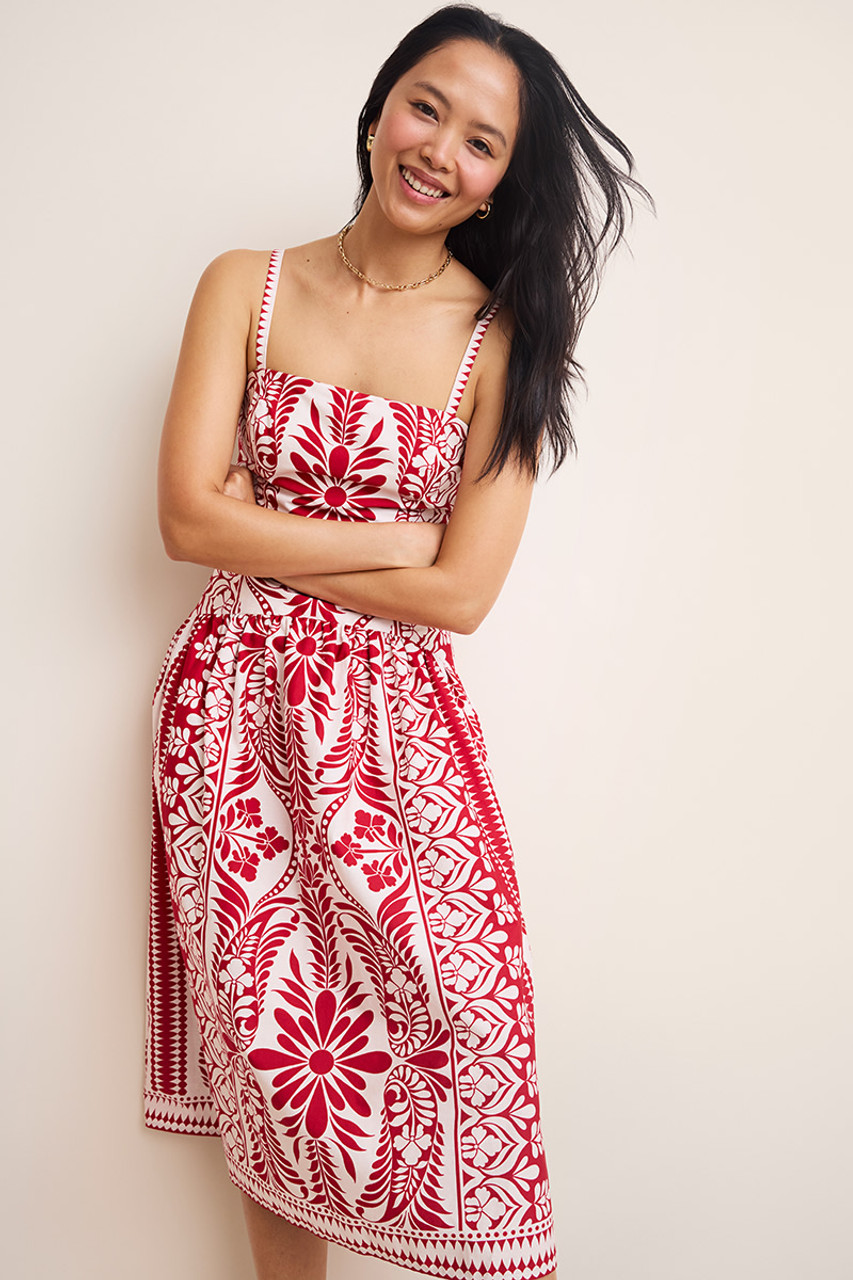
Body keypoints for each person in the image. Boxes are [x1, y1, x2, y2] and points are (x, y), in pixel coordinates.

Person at [144, 6, 652, 1279]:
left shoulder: (504, 341)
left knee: (465, 1017)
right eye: (426, 107)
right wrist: (395, 542)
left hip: (398, 729)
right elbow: (185, 520)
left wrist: (264, 526)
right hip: (231, 715)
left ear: (499, 181)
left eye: (483, 141)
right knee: (278, 1055)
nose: (439, 150)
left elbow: (462, 594)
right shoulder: (244, 284)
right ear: (378, 109)